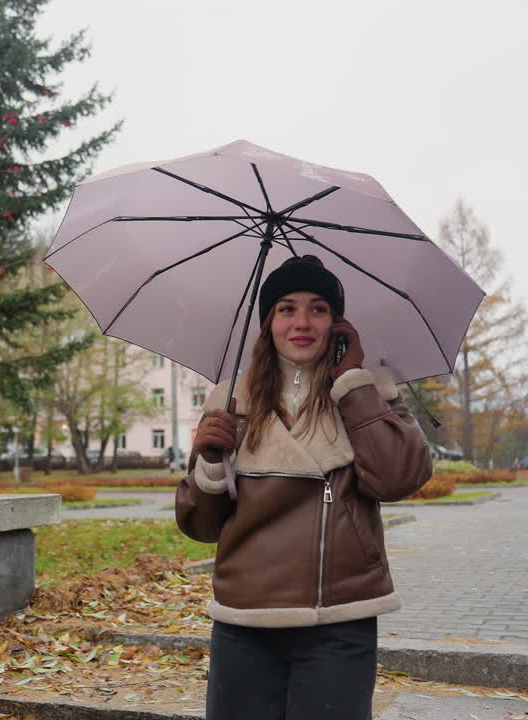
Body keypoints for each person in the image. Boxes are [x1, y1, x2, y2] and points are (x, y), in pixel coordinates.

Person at [175, 254, 433, 720]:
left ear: (338, 323)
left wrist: (353, 382)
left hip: (338, 617)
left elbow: (398, 478)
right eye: (286, 308)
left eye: (318, 309)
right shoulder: (229, 399)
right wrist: (211, 463)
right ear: (268, 321)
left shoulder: (367, 391)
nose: (302, 322)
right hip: (244, 618)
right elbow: (200, 526)